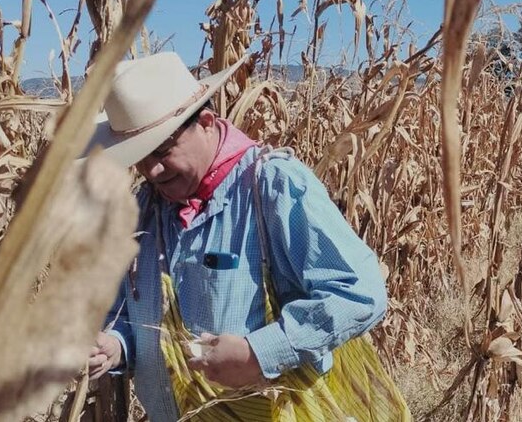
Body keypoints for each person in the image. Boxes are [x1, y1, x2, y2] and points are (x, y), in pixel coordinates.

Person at [84, 52, 410, 421]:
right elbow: (130, 312)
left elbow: (359, 293)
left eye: (162, 150)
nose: (152, 170)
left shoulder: (273, 186)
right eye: (140, 157)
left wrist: (259, 353)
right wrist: (117, 345)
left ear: (206, 123)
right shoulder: (142, 209)